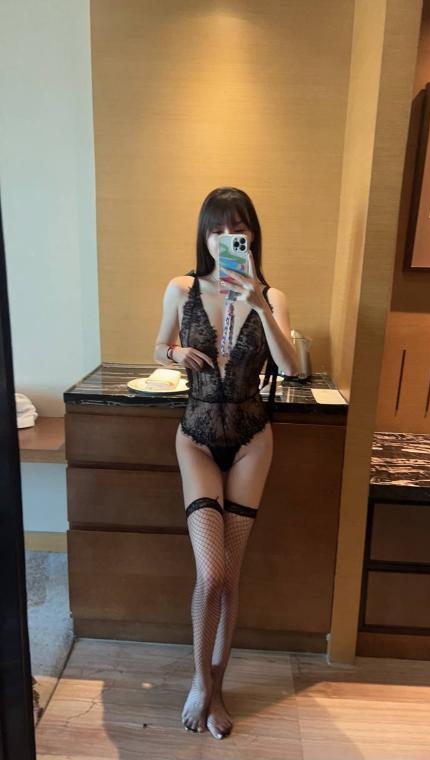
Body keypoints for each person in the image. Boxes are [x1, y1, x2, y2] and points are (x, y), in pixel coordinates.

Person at [154, 187, 299, 740]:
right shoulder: (182, 288)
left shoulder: (273, 296)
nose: (226, 239)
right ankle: (199, 680)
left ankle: (216, 688)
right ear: (204, 235)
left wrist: (259, 303)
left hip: (251, 438)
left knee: (230, 576)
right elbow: (158, 345)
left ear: (252, 236)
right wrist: (174, 352)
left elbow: (291, 366)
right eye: (216, 230)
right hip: (195, 436)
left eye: (237, 229)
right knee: (211, 572)